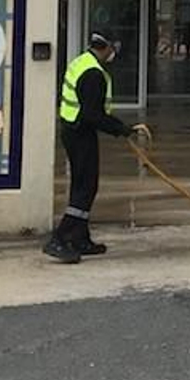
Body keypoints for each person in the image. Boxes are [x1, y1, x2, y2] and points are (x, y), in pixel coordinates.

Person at [43, 34, 150, 264]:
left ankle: (81, 238)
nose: (115, 52)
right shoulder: (94, 74)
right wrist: (122, 129)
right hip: (80, 133)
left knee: (82, 185)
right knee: (85, 188)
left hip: (73, 130)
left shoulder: (82, 62)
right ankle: (59, 238)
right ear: (107, 47)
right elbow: (94, 114)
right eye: (114, 47)